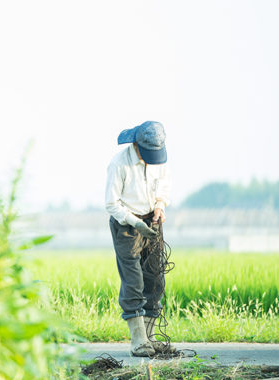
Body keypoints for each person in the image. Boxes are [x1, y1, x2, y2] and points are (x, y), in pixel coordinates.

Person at [104, 121, 174, 357]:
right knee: (134, 281)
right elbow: (112, 204)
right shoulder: (118, 165)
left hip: (152, 222)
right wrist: (135, 223)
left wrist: (160, 206)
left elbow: (163, 186)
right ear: (136, 145)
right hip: (127, 226)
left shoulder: (158, 161)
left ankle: (150, 338)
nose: (150, 159)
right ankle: (137, 340)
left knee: (155, 278)